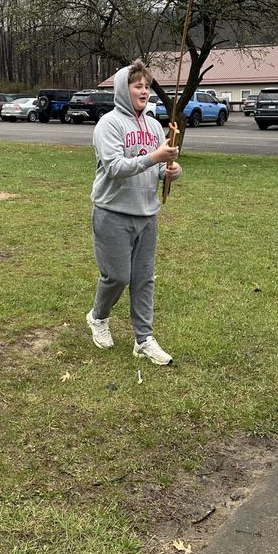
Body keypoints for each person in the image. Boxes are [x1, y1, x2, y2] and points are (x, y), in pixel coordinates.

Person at [86, 59, 182, 365]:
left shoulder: (154, 125)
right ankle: (98, 317)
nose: (144, 91)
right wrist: (154, 157)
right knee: (117, 276)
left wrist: (169, 172)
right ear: (122, 89)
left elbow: (153, 170)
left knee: (143, 278)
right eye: (137, 85)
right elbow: (114, 167)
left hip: (146, 214)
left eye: (147, 86)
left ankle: (144, 339)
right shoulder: (109, 124)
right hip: (112, 211)